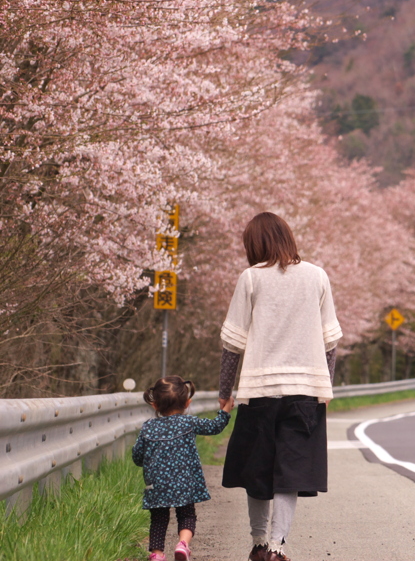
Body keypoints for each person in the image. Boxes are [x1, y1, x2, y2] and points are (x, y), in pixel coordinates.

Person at [219, 211, 342, 561]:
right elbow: (330, 341)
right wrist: (325, 387)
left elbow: (232, 343)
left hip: (259, 390)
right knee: (292, 472)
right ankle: (277, 546)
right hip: (305, 392)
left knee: (257, 469)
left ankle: (258, 545)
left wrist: (225, 391)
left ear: (254, 244)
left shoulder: (250, 278)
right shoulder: (317, 276)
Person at [133, 375, 231, 561]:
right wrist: (224, 410)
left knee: (159, 519)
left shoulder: (148, 427)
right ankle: (182, 544)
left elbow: (138, 456)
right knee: (186, 515)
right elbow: (215, 427)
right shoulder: (189, 423)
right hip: (184, 482)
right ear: (187, 403)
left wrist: (145, 463)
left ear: (155, 405)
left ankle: (157, 554)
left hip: (156, 485)